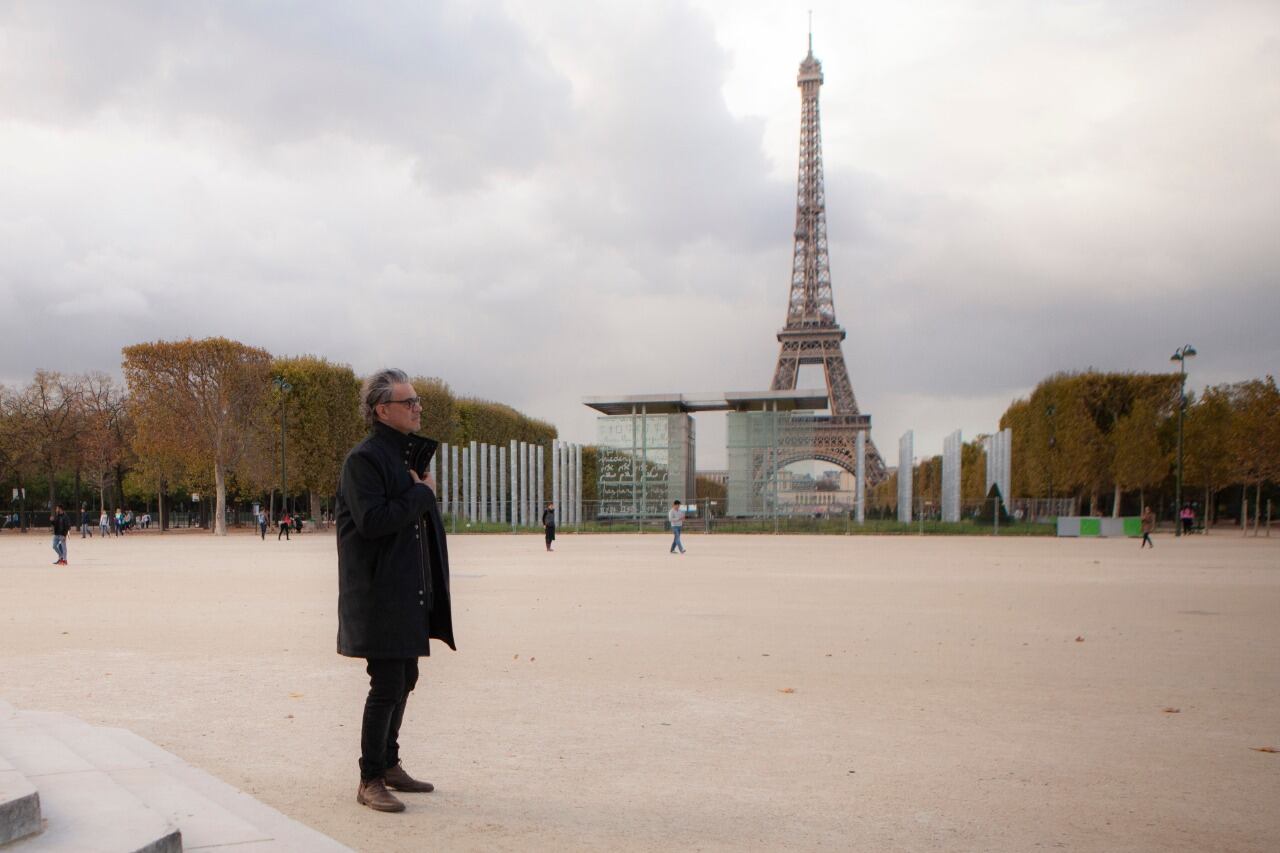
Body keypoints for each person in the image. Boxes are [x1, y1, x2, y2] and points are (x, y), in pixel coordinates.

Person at [336, 368, 455, 813]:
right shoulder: (365, 460)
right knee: (386, 682)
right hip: (377, 592)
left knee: (406, 677)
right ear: (383, 410)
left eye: (417, 399)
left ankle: (388, 763)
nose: (418, 406)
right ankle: (369, 778)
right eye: (410, 402)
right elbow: (373, 522)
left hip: (403, 589)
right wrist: (423, 494)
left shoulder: (403, 457)